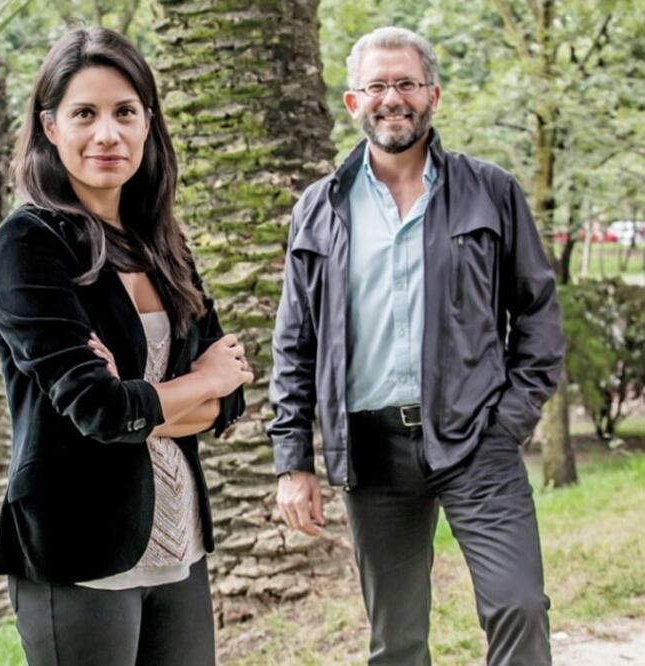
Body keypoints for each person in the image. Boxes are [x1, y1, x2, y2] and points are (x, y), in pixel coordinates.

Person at [268, 26, 564, 666]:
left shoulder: (491, 191)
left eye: (406, 83)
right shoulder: (319, 209)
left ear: (433, 94)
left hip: (476, 438)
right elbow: (294, 344)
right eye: (376, 86)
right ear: (353, 101)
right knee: (396, 640)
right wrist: (293, 461)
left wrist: (507, 424)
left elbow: (538, 318)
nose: (392, 98)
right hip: (371, 450)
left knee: (518, 606)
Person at [0, 26, 251, 666]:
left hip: (179, 540)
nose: (107, 134)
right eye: (85, 113)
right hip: (78, 548)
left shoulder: (163, 243)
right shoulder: (29, 244)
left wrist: (147, 402)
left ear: (148, 124)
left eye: (125, 112)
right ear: (50, 127)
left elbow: (231, 400)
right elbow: (98, 408)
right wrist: (201, 382)